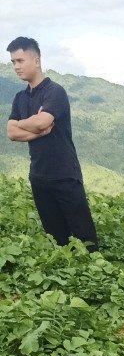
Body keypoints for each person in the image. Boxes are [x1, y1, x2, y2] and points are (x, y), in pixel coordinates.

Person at [6, 36, 99, 250]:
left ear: (36, 60)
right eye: (13, 62)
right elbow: (12, 132)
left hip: (64, 174)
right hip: (38, 176)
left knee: (86, 240)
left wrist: (27, 124)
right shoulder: (20, 98)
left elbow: (43, 121)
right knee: (58, 241)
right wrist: (36, 129)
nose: (16, 67)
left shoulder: (54, 92)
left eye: (20, 61)